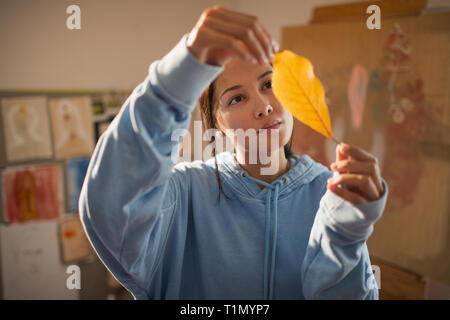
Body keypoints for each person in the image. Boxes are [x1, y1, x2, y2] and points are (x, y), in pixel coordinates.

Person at [79, 5, 388, 300]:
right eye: (237, 99)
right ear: (218, 124)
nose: (264, 106)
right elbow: (110, 207)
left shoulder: (331, 193)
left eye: (269, 83)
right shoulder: (183, 193)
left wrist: (346, 234)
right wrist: (173, 80)